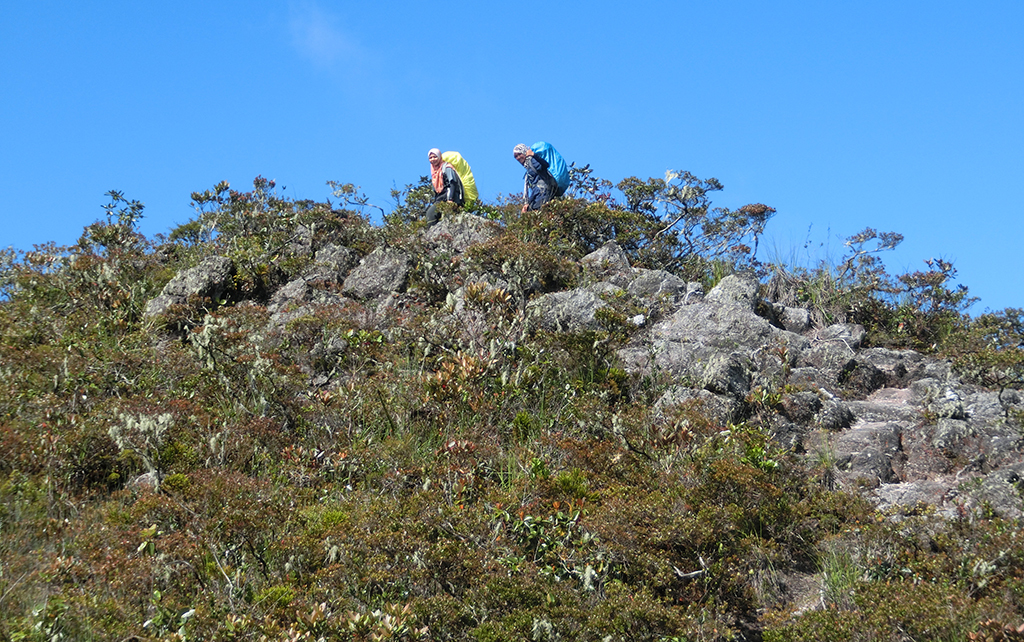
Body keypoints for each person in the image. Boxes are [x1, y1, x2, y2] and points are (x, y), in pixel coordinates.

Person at [425, 148, 464, 226]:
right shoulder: (434, 173)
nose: (433, 159)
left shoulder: (447, 167)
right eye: (430, 158)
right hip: (440, 199)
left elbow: (452, 183)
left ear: (439, 157)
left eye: (435, 157)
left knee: (431, 214)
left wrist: (450, 199)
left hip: (450, 198)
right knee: (430, 213)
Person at [513, 143, 557, 213]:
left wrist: (533, 155)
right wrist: (527, 203)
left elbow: (545, 165)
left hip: (543, 194)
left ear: (524, 152)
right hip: (538, 196)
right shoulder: (528, 167)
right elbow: (535, 189)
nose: (518, 158)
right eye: (515, 156)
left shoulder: (532, 161)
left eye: (519, 154)